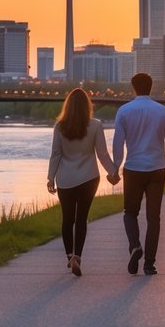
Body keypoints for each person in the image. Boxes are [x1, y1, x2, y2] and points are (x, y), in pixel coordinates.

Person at [111, 72, 165, 276]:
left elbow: (118, 144)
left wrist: (115, 168)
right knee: (153, 218)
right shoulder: (163, 112)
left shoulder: (124, 111)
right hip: (157, 168)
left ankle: (135, 246)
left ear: (133, 87)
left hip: (133, 168)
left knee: (130, 213)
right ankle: (149, 264)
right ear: (151, 86)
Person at [47, 88, 116, 277]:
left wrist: (50, 178)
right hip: (89, 177)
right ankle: (78, 255)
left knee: (67, 218)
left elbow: (56, 154)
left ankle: (69, 255)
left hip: (65, 178)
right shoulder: (95, 125)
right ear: (88, 106)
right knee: (81, 218)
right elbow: (102, 154)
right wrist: (113, 171)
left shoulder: (60, 127)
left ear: (67, 106)